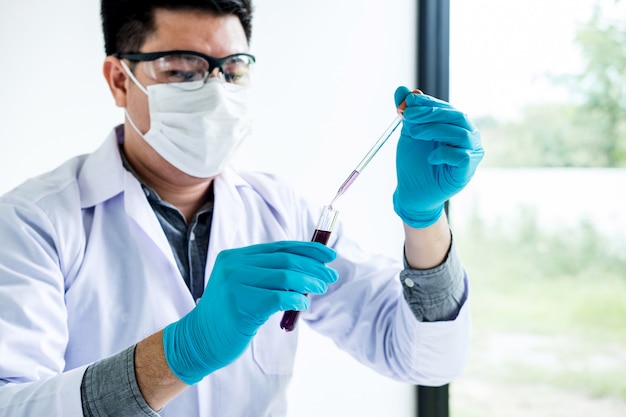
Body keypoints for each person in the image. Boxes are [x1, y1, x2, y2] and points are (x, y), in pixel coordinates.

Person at [0, 1, 483, 416]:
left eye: (232, 69)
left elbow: (427, 358)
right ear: (119, 80)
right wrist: (180, 354)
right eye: (181, 70)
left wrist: (424, 221)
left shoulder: (281, 211)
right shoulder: (33, 222)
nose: (214, 91)